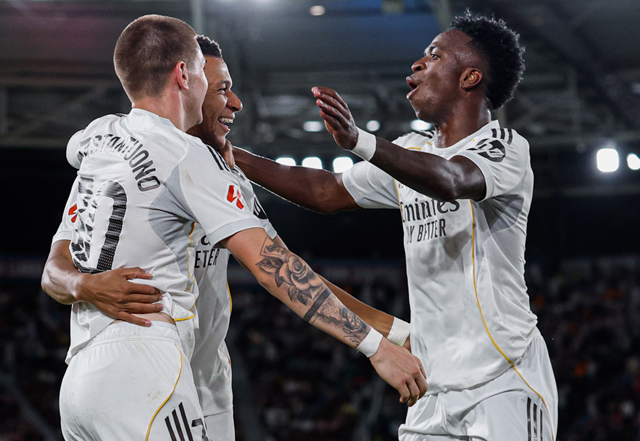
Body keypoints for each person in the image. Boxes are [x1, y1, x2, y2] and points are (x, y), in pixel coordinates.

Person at [41, 16, 427, 441]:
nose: (235, 102)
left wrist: (395, 333)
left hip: (100, 375)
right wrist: (375, 347)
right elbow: (277, 268)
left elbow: (290, 269)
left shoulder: (101, 140)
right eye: (220, 87)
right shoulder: (187, 157)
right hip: (145, 361)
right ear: (185, 76)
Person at [231, 11, 558, 441]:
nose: (417, 64)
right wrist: (230, 154)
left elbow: (452, 180)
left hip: (503, 379)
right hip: (431, 385)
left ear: (470, 77)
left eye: (434, 55)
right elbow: (325, 192)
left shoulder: (504, 147)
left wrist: (360, 141)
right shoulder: (412, 151)